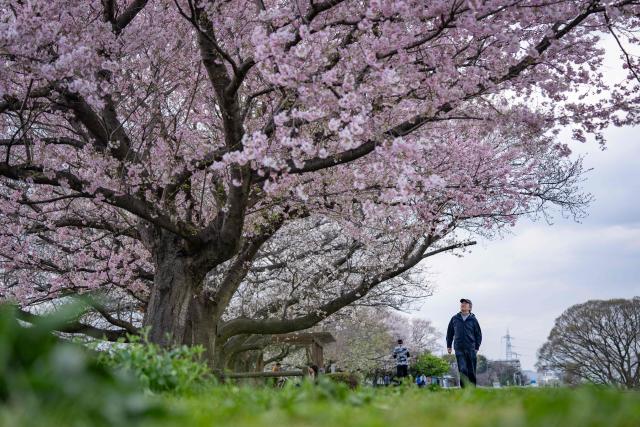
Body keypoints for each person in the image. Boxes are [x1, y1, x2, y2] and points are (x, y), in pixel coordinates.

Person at [446, 298, 482, 388]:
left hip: (471, 348)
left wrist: (477, 347)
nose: (463, 304)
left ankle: (473, 389)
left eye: (465, 303)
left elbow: (478, 334)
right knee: (462, 369)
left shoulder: (473, 320)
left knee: (471, 370)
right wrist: (449, 346)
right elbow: (449, 333)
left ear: (469, 307)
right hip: (459, 347)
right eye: (462, 303)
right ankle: (464, 390)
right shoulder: (455, 318)